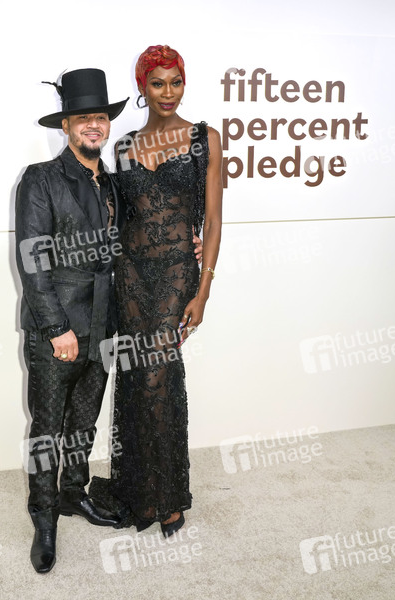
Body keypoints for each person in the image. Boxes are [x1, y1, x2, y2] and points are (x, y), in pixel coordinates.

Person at [93, 45, 222, 538]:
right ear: (142, 88)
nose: (168, 92)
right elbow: (122, 215)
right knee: (136, 377)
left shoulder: (205, 139)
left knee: (158, 376)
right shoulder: (124, 147)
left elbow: (213, 222)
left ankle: (167, 496)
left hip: (176, 275)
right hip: (130, 274)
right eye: (158, 83)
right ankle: (139, 491)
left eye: (176, 81)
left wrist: (203, 290)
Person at [15, 68, 129, 574]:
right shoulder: (40, 179)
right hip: (56, 330)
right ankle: (43, 519)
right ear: (66, 125)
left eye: (100, 117)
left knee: (84, 422)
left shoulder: (114, 183)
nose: (93, 125)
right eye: (83, 118)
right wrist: (56, 328)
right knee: (47, 430)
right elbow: (33, 259)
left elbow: (130, 244)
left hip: (103, 326)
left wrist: (188, 243)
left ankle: (72, 493)